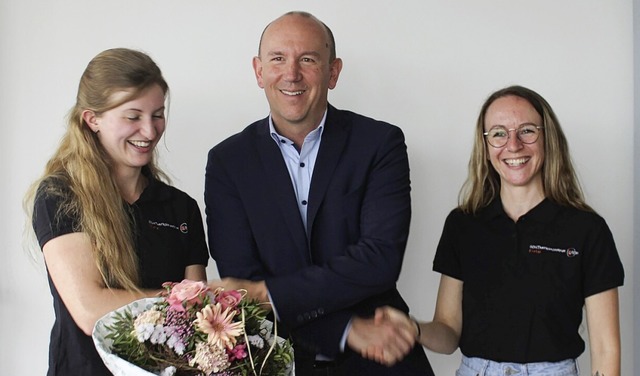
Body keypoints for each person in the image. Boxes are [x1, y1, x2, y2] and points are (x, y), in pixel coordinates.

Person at [204, 11, 434, 376]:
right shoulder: (228, 162)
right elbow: (242, 280)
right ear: (259, 71)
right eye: (277, 59)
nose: (291, 74)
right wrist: (342, 330)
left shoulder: (379, 144)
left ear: (333, 72)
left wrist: (269, 294)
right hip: (278, 361)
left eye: (308, 59)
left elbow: (378, 260)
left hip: (381, 358)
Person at [373, 85, 624, 376]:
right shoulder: (463, 225)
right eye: (499, 133)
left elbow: (606, 348)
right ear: (486, 145)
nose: (513, 145)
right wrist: (413, 328)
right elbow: (449, 333)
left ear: (548, 138)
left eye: (527, 130)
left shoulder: (587, 230)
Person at [23, 48, 209, 376]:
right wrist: (186, 301)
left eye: (157, 114)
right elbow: (90, 310)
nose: (150, 132)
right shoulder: (60, 195)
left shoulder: (181, 208)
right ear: (92, 119)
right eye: (133, 116)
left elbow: (197, 324)